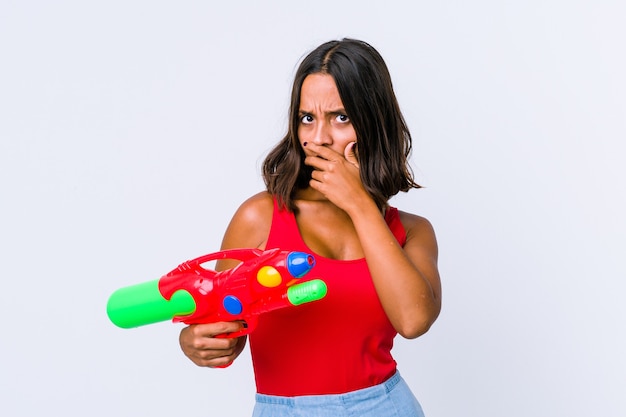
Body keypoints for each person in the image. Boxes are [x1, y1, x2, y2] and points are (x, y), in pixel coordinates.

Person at [179, 38, 442, 417]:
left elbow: (414, 320)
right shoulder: (260, 218)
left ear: (373, 122)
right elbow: (223, 332)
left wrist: (358, 204)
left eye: (341, 117)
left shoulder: (413, 231)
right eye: (307, 118)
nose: (318, 138)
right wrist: (195, 341)